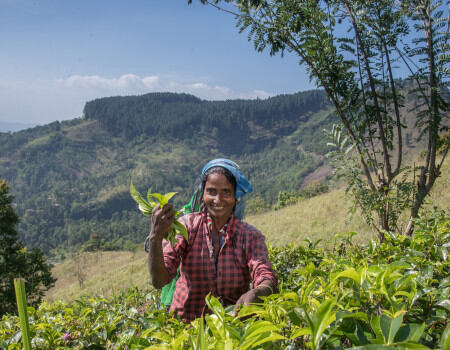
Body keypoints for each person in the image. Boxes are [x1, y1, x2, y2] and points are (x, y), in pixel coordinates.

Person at [146, 159, 277, 323]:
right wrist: (155, 237)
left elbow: (264, 274)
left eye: (226, 192)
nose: (218, 199)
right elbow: (159, 281)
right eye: (211, 191)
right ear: (203, 194)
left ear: (236, 196)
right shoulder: (187, 227)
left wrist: (258, 292)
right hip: (184, 329)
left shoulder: (249, 236)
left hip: (229, 327)